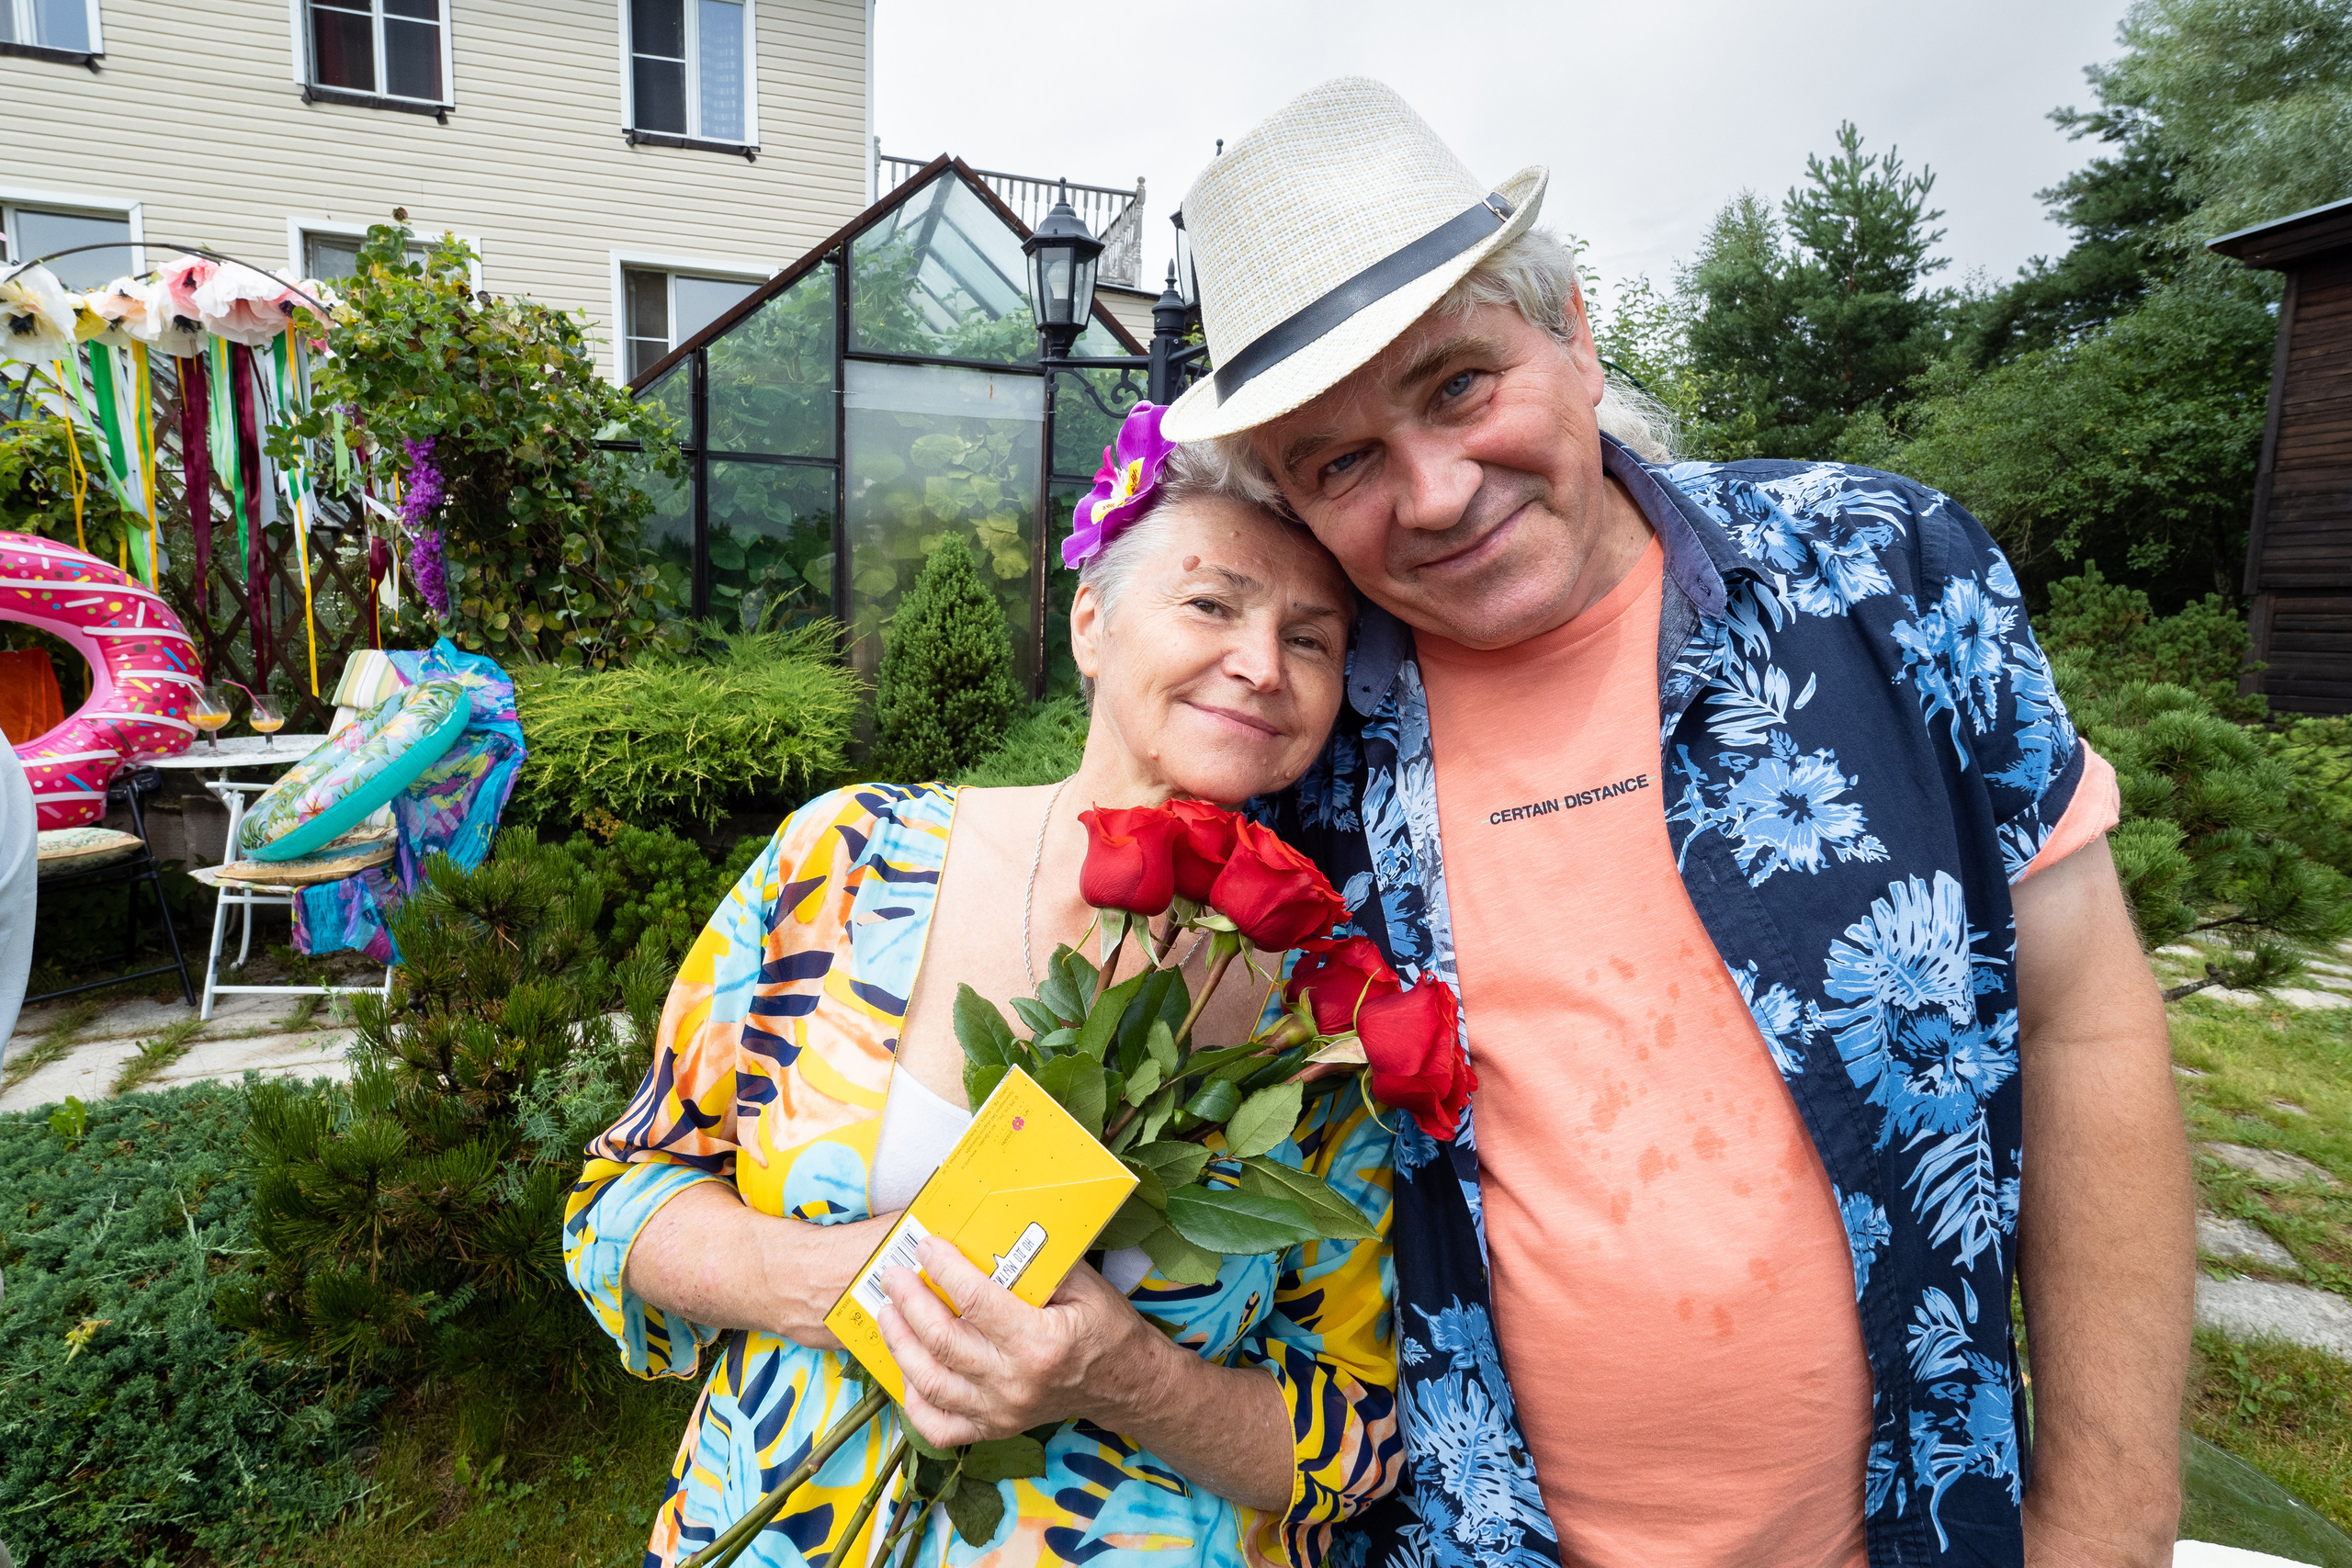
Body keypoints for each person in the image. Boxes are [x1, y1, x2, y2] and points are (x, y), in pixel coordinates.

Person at [1159, 80, 2193, 1568]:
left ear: (1570, 332)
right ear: (1296, 506)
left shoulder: (1887, 576)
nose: (1437, 493)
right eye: (1343, 460)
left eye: (1458, 385)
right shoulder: (1293, 747)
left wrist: (2110, 1521)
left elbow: (2087, 1024)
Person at [561, 421, 1402, 1568]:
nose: (1261, 661)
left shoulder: (1320, 1021)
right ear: (1091, 625)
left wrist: (1127, 1378)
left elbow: (1355, 1442)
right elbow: (620, 1202)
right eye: (1211, 605)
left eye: (1309, 638)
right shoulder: (846, 862)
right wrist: (856, 1281)